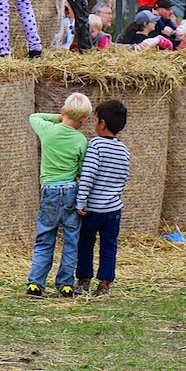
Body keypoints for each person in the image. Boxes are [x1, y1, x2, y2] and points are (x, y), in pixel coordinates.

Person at [26, 92, 90, 298]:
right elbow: (81, 171)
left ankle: (36, 283)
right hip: (71, 191)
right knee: (71, 240)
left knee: (45, 238)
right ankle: (65, 284)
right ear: (85, 120)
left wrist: (59, 117)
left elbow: (33, 117)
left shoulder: (48, 130)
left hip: (50, 192)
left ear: (62, 112)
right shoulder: (81, 140)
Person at [75, 98, 131, 297]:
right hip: (113, 210)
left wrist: (81, 200)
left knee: (85, 243)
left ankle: (83, 281)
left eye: (96, 119)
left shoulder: (96, 145)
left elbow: (88, 174)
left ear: (102, 124)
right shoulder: (124, 150)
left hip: (92, 209)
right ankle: (105, 284)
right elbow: (124, 177)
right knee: (109, 246)